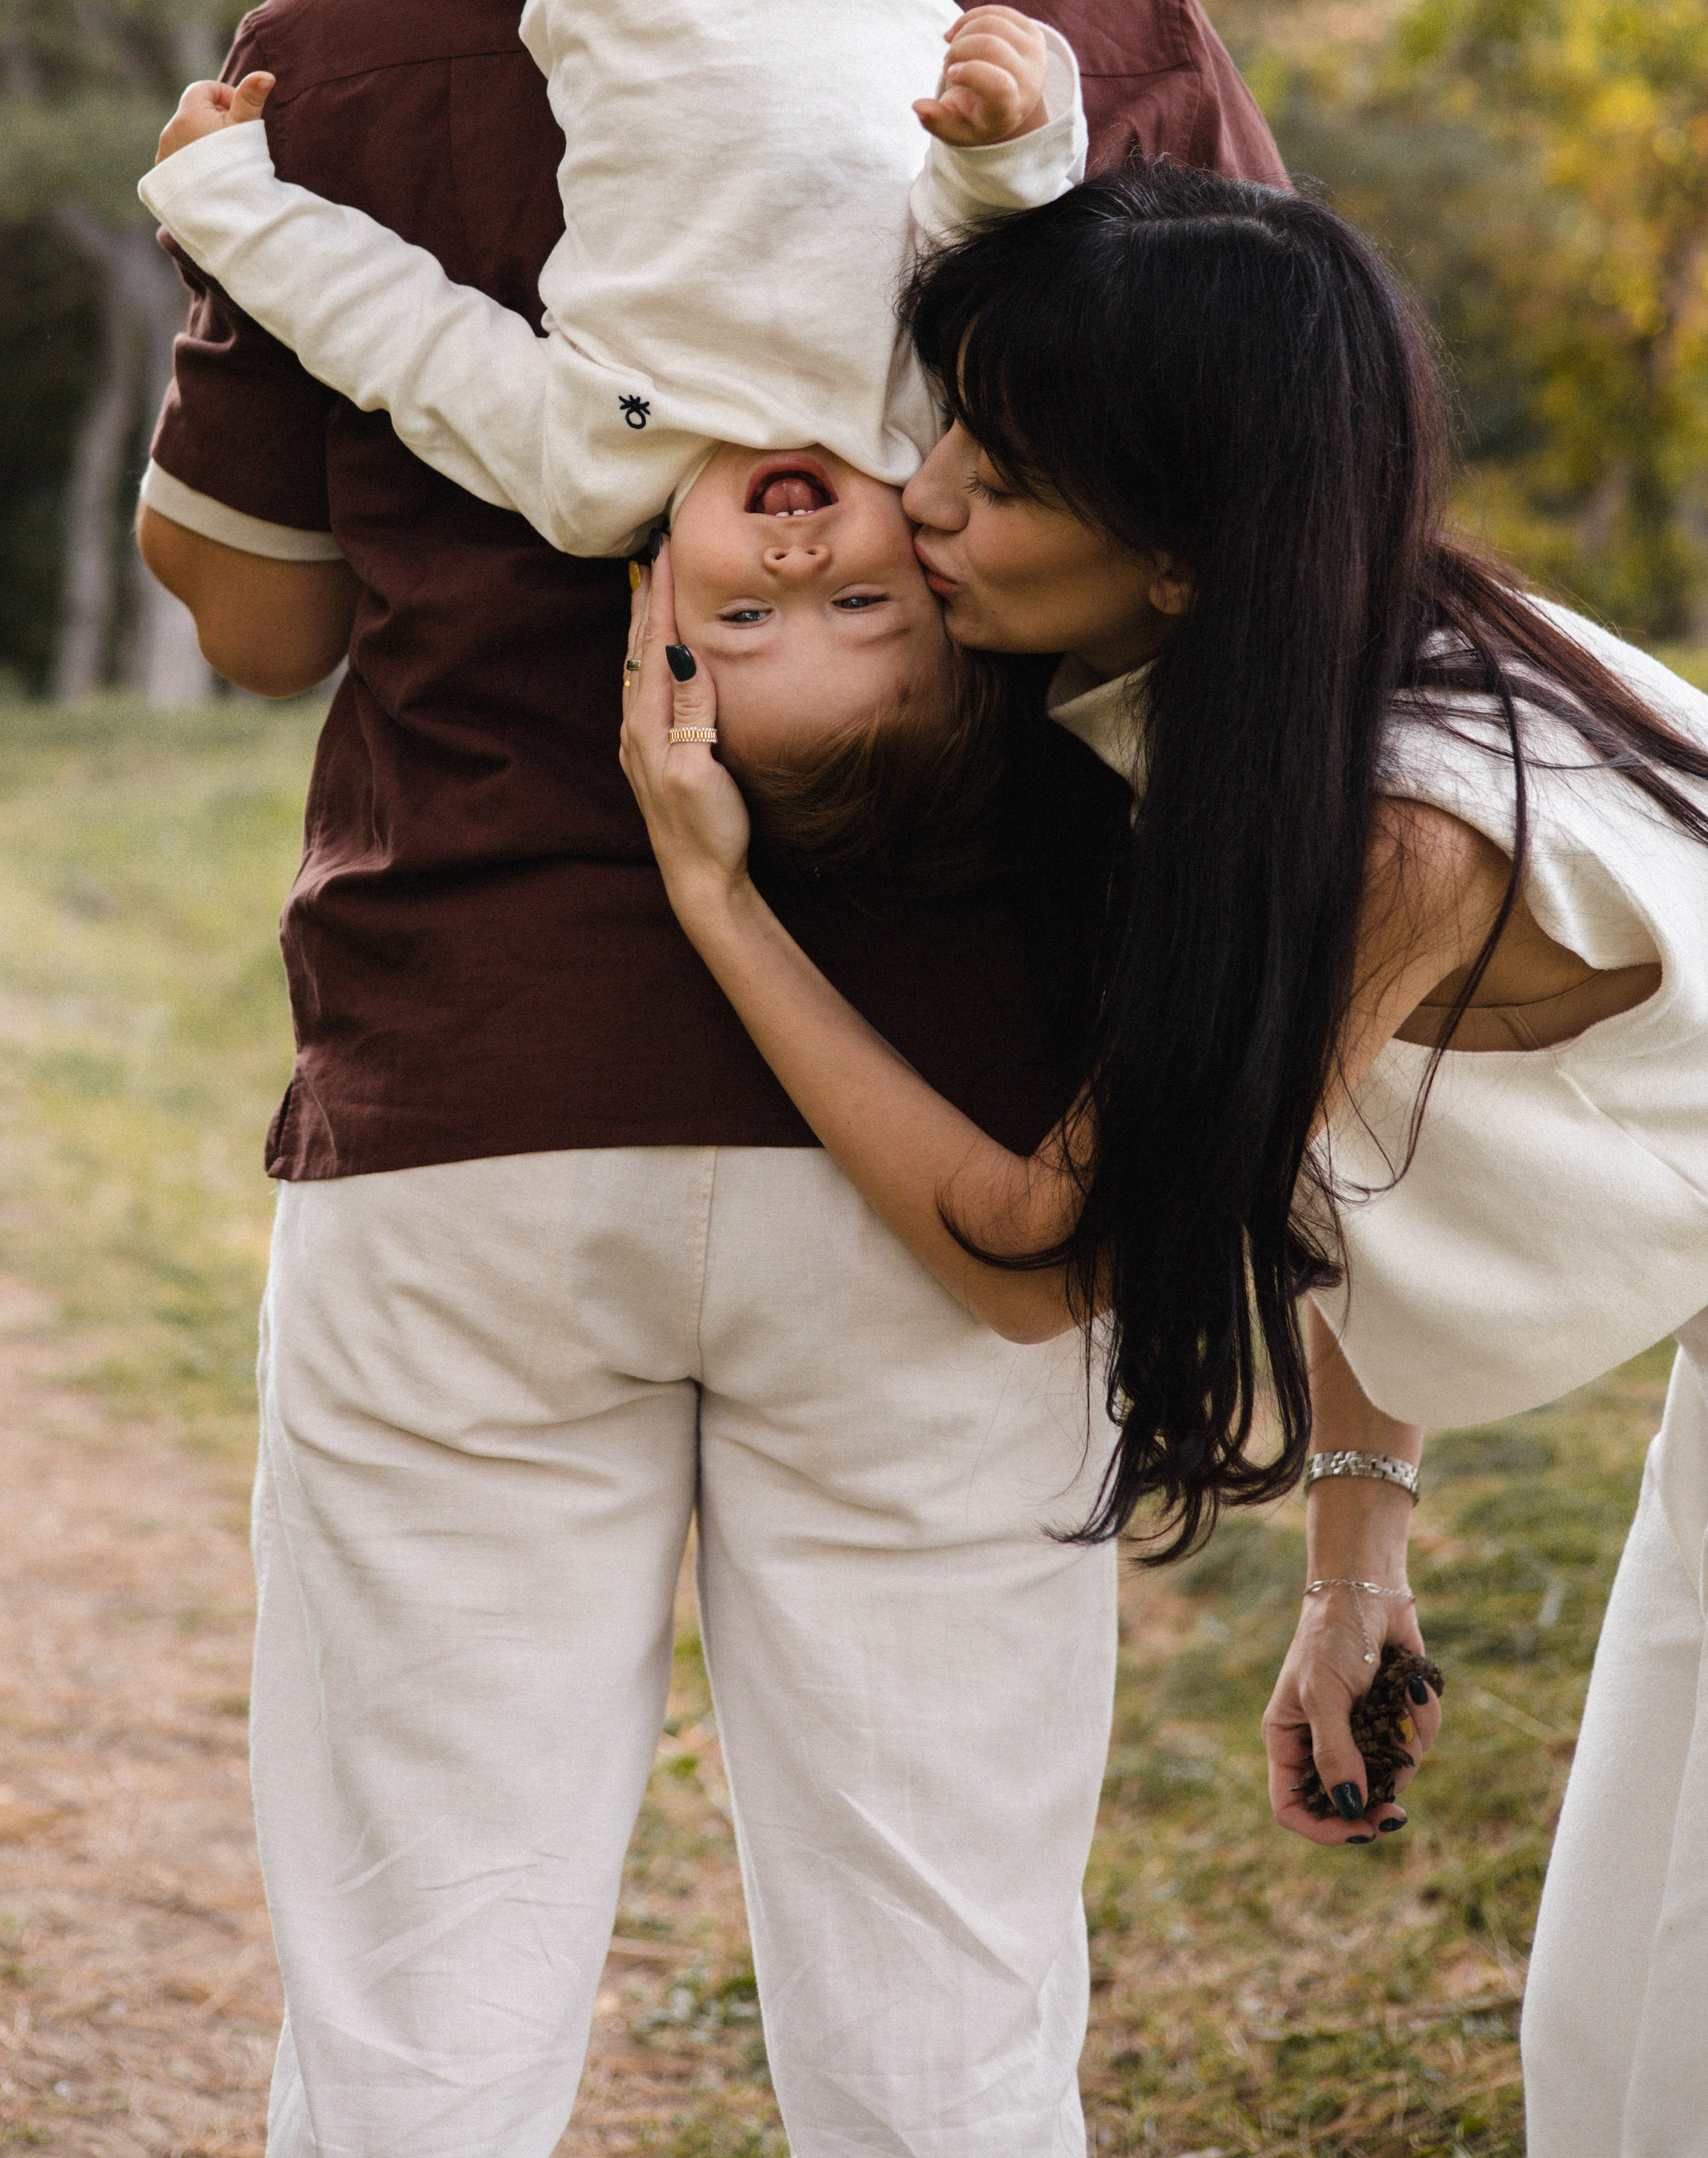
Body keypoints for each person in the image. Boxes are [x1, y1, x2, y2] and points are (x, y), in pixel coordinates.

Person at [137, 0, 1284, 2158]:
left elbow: (252, 616)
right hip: (959, 1120)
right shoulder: (1096, 23)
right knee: (945, 2016)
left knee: (419, 2007)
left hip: (470, 1102)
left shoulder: (362, 41)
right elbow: (1260, 559)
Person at [620, 161, 1708, 2158]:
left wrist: (718, 902)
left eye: (1000, 479)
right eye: (945, 422)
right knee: (1618, 2049)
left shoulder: (1396, 824)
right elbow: (1352, 1142)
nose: (923, 495)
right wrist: (1355, 1555)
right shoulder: (1287, 682)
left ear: (1185, 559)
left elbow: (1042, 1252)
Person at [138, 0, 1085, 861]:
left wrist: (227, 203)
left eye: (747, 615)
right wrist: (1010, 140)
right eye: (857, 603)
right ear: (939, 577)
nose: (798, 565)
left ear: (659, 618)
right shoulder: (926, 406)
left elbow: (407, 342)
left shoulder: (610, 449)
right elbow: (988, 238)